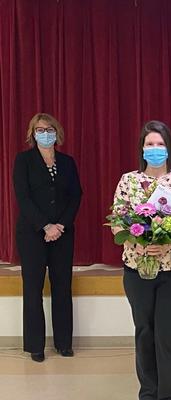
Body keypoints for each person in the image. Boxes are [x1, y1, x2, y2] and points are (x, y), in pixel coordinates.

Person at [111, 120, 171, 400]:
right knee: (144, 332)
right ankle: (147, 398)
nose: (155, 149)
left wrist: (168, 242)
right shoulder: (129, 181)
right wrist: (139, 238)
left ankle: (170, 399)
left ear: (168, 148)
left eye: (160, 144)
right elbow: (119, 221)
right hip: (137, 269)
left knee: (166, 333)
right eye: (149, 144)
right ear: (142, 149)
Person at [13, 113, 82, 362]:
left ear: (57, 132)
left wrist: (61, 225)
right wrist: (45, 226)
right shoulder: (23, 160)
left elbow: (76, 195)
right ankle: (35, 346)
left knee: (62, 286)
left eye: (49, 129)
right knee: (33, 288)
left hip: (63, 233)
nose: (45, 133)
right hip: (32, 233)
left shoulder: (67, 161)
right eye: (40, 129)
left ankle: (64, 343)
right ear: (32, 133)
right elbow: (23, 197)